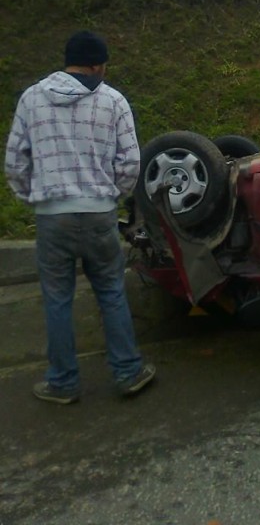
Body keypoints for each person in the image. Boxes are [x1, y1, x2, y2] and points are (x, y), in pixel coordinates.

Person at [4, 31, 155, 404]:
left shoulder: (32, 98)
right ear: (97, 65)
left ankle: (62, 383)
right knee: (111, 291)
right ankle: (128, 372)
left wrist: (33, 198)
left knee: (57, 299)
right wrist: (111, 195)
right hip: (99, 213)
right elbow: (130, 163)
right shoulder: (112, 101)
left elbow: (15, 162)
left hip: (52, 217)